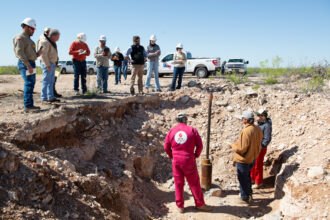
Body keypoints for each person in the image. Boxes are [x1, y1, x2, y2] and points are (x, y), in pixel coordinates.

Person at [164, 113, 212, 213]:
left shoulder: (172, 131)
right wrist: (195, 155)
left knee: (178, 183)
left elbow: (166, 147)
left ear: (177, 120)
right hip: (188, 159)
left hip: (176, 160)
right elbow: (200, 145)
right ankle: (200, 204)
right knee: (194, 183)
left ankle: (180, 206)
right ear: (186, 120)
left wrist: (171, 156)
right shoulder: (192, 130)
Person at [229, 110, 263, 205]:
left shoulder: (246, 131)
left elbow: (242, 149)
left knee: (243, 179)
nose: (242, 120)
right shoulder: (257, 128)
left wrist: (232, 146)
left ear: (245, 120)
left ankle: (244, 198)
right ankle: (249, 194)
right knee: (247, 177)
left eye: (242, 118)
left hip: (244, 159)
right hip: (252, 157)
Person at [13, 18, 43, 112]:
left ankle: (30, 105)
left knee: (31, 83)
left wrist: (38, 53)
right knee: (29, 83)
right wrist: (28, 65)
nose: (33, 31)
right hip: (26, 64)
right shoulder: (20, 37)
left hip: (31, 63)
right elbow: (20, 53)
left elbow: (31, 54)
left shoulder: (29, 40)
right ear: (26, 27)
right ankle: (28, 106)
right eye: (32, 29)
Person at [251, 109, 272, 189]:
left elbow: (267, 139)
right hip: (255, 147)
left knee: (258, 165)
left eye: (260, 116)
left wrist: (260, 147)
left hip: (260, 148)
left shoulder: (267, 126)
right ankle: (252, 179)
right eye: (258, 115)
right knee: (253, 164)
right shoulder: (260, 124)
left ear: (264, 117)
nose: (258, 117)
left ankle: (258, 182)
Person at [38, 29, 60, 103]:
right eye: (58, 37)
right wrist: (47, 65)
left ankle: (50, 96)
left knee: (51, 81)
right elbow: (43, 55)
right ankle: (44, 97)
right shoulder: (45, 42)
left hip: (52, 63)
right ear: (53, 36)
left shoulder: (51, 42)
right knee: (46, 81)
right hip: (48, 64)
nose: (58, 39)